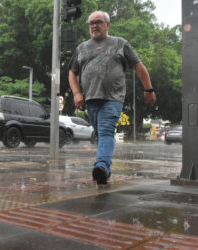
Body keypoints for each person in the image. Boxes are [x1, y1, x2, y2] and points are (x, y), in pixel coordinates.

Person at [68, 10, 156, 184]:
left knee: (106, 131)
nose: (94, 25)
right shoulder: (82, 48)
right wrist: (77, 93)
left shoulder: (119, 44)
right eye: (91, 23)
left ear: (107, 25)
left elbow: (139, 67)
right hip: (91, 99)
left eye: (98, 22)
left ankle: (101, 166)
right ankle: (105, 170)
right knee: (101, 134)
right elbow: (72, 72)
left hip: (113, 98)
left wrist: (148, 89)